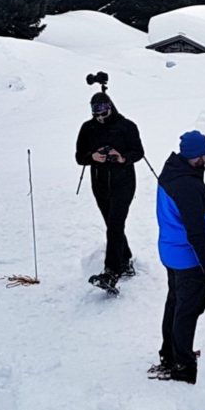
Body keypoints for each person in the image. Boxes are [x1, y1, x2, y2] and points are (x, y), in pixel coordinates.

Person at [152, 131, 205, 383]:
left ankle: (170, 354)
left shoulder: (173, 171)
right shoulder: (187, 185)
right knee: (187, 310)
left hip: (172, 252)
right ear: (198, 156)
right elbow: (196, 232)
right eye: (204, 157)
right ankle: (181, 365)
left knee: (175, 304)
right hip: (188, 257)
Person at [74, 90, 144, 288]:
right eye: (96, 112)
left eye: (104, 111)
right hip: (100, 184)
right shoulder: (87, 129)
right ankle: (125, 259)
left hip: (124, 183)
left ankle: (111, 271)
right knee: (113, 225)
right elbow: (79, 157)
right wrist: (92, 157)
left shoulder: (127, 126)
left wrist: (122, 158)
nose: (100, 116)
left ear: (111, 107)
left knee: (114, 225)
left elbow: (138, 152)